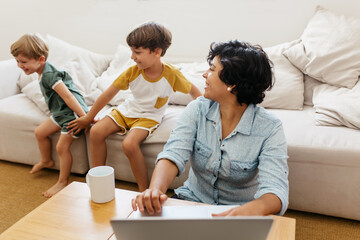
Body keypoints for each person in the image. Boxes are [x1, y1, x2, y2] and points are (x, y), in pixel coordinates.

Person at [131, 40, 289, 216]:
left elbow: (275, 192)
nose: (205, 74)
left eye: (212, 69)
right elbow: (173, 154)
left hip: (240, 211)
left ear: (232, 83)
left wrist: (243, 213)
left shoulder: (270, 128)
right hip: (191, 200)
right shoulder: (197, 109)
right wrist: (155, 190)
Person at [67, 22, 202, 192]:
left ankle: (144, 190)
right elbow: (108, 94)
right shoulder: (133, 71)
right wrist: (88, 117)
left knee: (129, 144)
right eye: (132, 51)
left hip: (149, 117)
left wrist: (205, 113)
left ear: (157, 52)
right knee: (96, 132)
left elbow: (195, 92)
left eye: (137, 52)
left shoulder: (171, 74)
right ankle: (99, 180)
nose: (132, 57)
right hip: (128, 109)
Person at [10, 33, 89, 197]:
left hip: (72, 116)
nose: (20, 65)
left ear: (40, 59)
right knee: (40, 132)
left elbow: (68, 96)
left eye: (23, 62)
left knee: (62, 147)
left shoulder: (49, 75)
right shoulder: (42, 71)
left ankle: (62, 182)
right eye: (18, 61)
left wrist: (84, 118)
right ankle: (46, 161)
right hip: (60, 112)